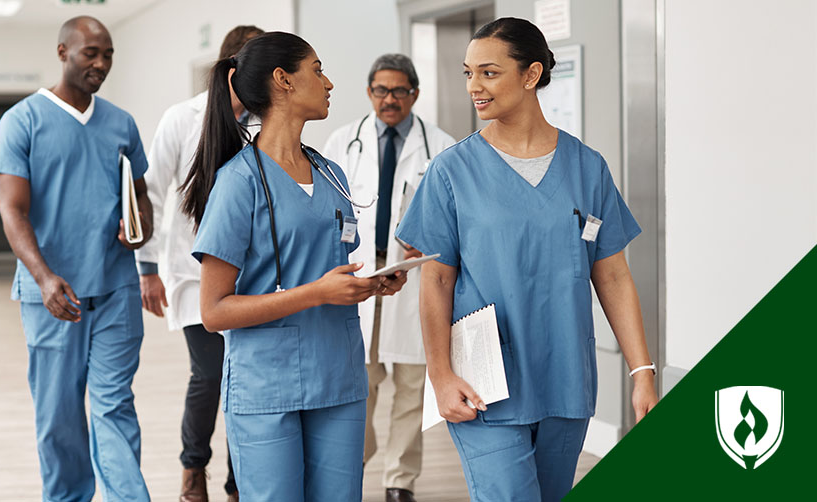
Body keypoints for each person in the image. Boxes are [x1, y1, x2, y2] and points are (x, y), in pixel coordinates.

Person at [395, 18, 660, 502]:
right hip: (483, 383)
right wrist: (440, 374)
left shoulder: (586, 167)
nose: (475, 86)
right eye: (468, 72)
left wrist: (642, 371)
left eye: (489, 73)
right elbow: (435, 279)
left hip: (565, 377)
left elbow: (614, 276)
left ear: (531, 74)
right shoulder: (452, 170)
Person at [182, 32, 408, 501]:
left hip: (340, 378)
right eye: (317, 69)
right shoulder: (237, 183)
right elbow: (215, 312)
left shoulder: (331, 174)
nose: (328, 82)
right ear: (283, 80)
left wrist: (367, 285)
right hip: (267, 385)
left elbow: (331, 268)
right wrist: (317, 293)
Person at [0, 16, 153, 502]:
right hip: (52, 295)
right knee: (58, 418)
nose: (101, 63)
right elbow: (11, 211)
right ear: (62, 52)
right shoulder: (22, 121)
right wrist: (43, 277)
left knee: (114, 407)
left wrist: (139, 230)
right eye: (90, 53)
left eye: (108, 54)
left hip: (116, 290)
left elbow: (142, 198)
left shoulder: (122, 123)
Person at [135, 24, 264, 502]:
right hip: (194, 274)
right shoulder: (182, 118)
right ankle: (194, 470)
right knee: (210, 375)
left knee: (245, 379)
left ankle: (239, 481)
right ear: (231, 73)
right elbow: (145, 192)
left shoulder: (267, 118)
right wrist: (146, 268)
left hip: (255, 276)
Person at [323, 54, 455, 502]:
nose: (389, 99)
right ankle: (355, 460)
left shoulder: (441, 145)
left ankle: (400, 480)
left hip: (415, 275)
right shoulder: (344, 141)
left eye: (399, 90)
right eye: (381, 90)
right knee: (360, 379)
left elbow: (456, 217)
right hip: (361, 272)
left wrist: (433, 237)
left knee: (413, 386)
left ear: (414, 93)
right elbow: (325, 209)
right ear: (369, 93)